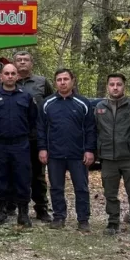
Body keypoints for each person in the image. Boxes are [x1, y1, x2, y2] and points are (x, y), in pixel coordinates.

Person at [0, 63, 37, 226]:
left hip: (21, 144)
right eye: (7, 73)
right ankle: (0, 211)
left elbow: (32, 119)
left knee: (23, 178)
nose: (10, 76)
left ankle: (23, 213)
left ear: (17, 76)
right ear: (1, 76)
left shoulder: (26, 96)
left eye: (13, 73)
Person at [37, 69, 96, 232]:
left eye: (65, 79)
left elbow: (91, 128)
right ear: (55, 82)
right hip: (54, 153)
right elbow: (41, 128)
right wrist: (42, 148)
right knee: (56, 187)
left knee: (81, 188)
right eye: (59, 79)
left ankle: (83, 220)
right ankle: (58, 217)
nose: (62, 82)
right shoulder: (47, 103)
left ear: (72, 81)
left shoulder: (83, 103)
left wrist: (89, 150)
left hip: (77, 154)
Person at [94, 74, 130, 237]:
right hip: (108, 158)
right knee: (110, 193)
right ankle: (112, 222)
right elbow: (96, 128)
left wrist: (128, 142)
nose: (115, 87)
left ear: (124, 86)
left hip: (129, 158)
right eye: (112, 84)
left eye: (119, 84)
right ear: (107, 87)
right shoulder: (99, 107)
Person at [15, 50, 54, 222]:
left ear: (32, 63)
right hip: (15, 136)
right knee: (15, 172)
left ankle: (41, 208)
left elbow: (51, 106)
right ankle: (14, 207)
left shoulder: (42, 82)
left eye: (26, 60)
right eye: (19, 60)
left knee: (38, 175)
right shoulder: (9, 82)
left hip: (36, 136)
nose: (22, 62)